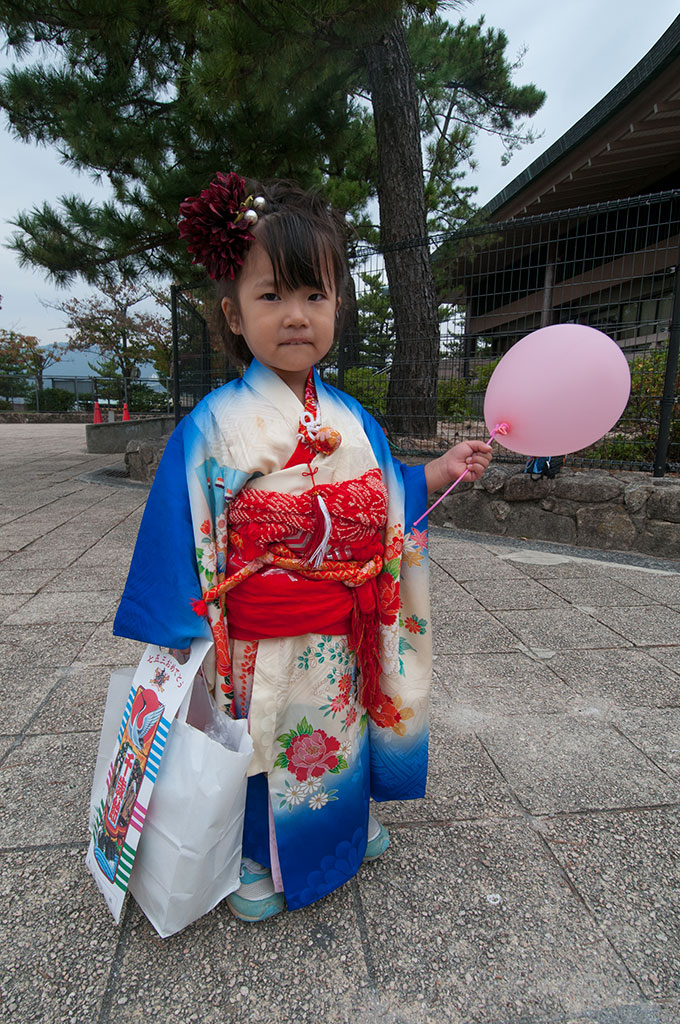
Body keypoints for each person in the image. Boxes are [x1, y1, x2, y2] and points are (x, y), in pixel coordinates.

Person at [113, 172, 492, 922]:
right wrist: (190, 637)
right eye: (271, 297)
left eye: (314, 296)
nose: (295, 316)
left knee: (338, 730)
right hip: (259, 636)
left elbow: (380, 500)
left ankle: (343, 830)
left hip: (340, 627)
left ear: (338, 307)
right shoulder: (215, 424)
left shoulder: (353, 418)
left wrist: (434, 474)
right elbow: (177, 530)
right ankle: (256, 855)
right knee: (261, 741)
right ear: (232, 314)